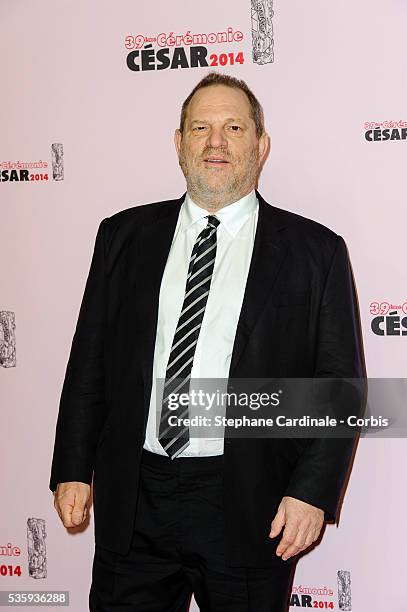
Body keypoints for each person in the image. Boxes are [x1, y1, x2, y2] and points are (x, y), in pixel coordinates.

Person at [49, 71, 365, 611]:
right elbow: (89, 362)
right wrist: (73, 467)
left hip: (248, 503)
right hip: (136, 501)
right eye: (200, 128)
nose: (216, 142)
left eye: (234, 127)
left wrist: (311, 492)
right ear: (179, 143)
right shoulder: (123, 236)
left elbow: (340, 389)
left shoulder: (317, 253)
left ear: (260, 146)